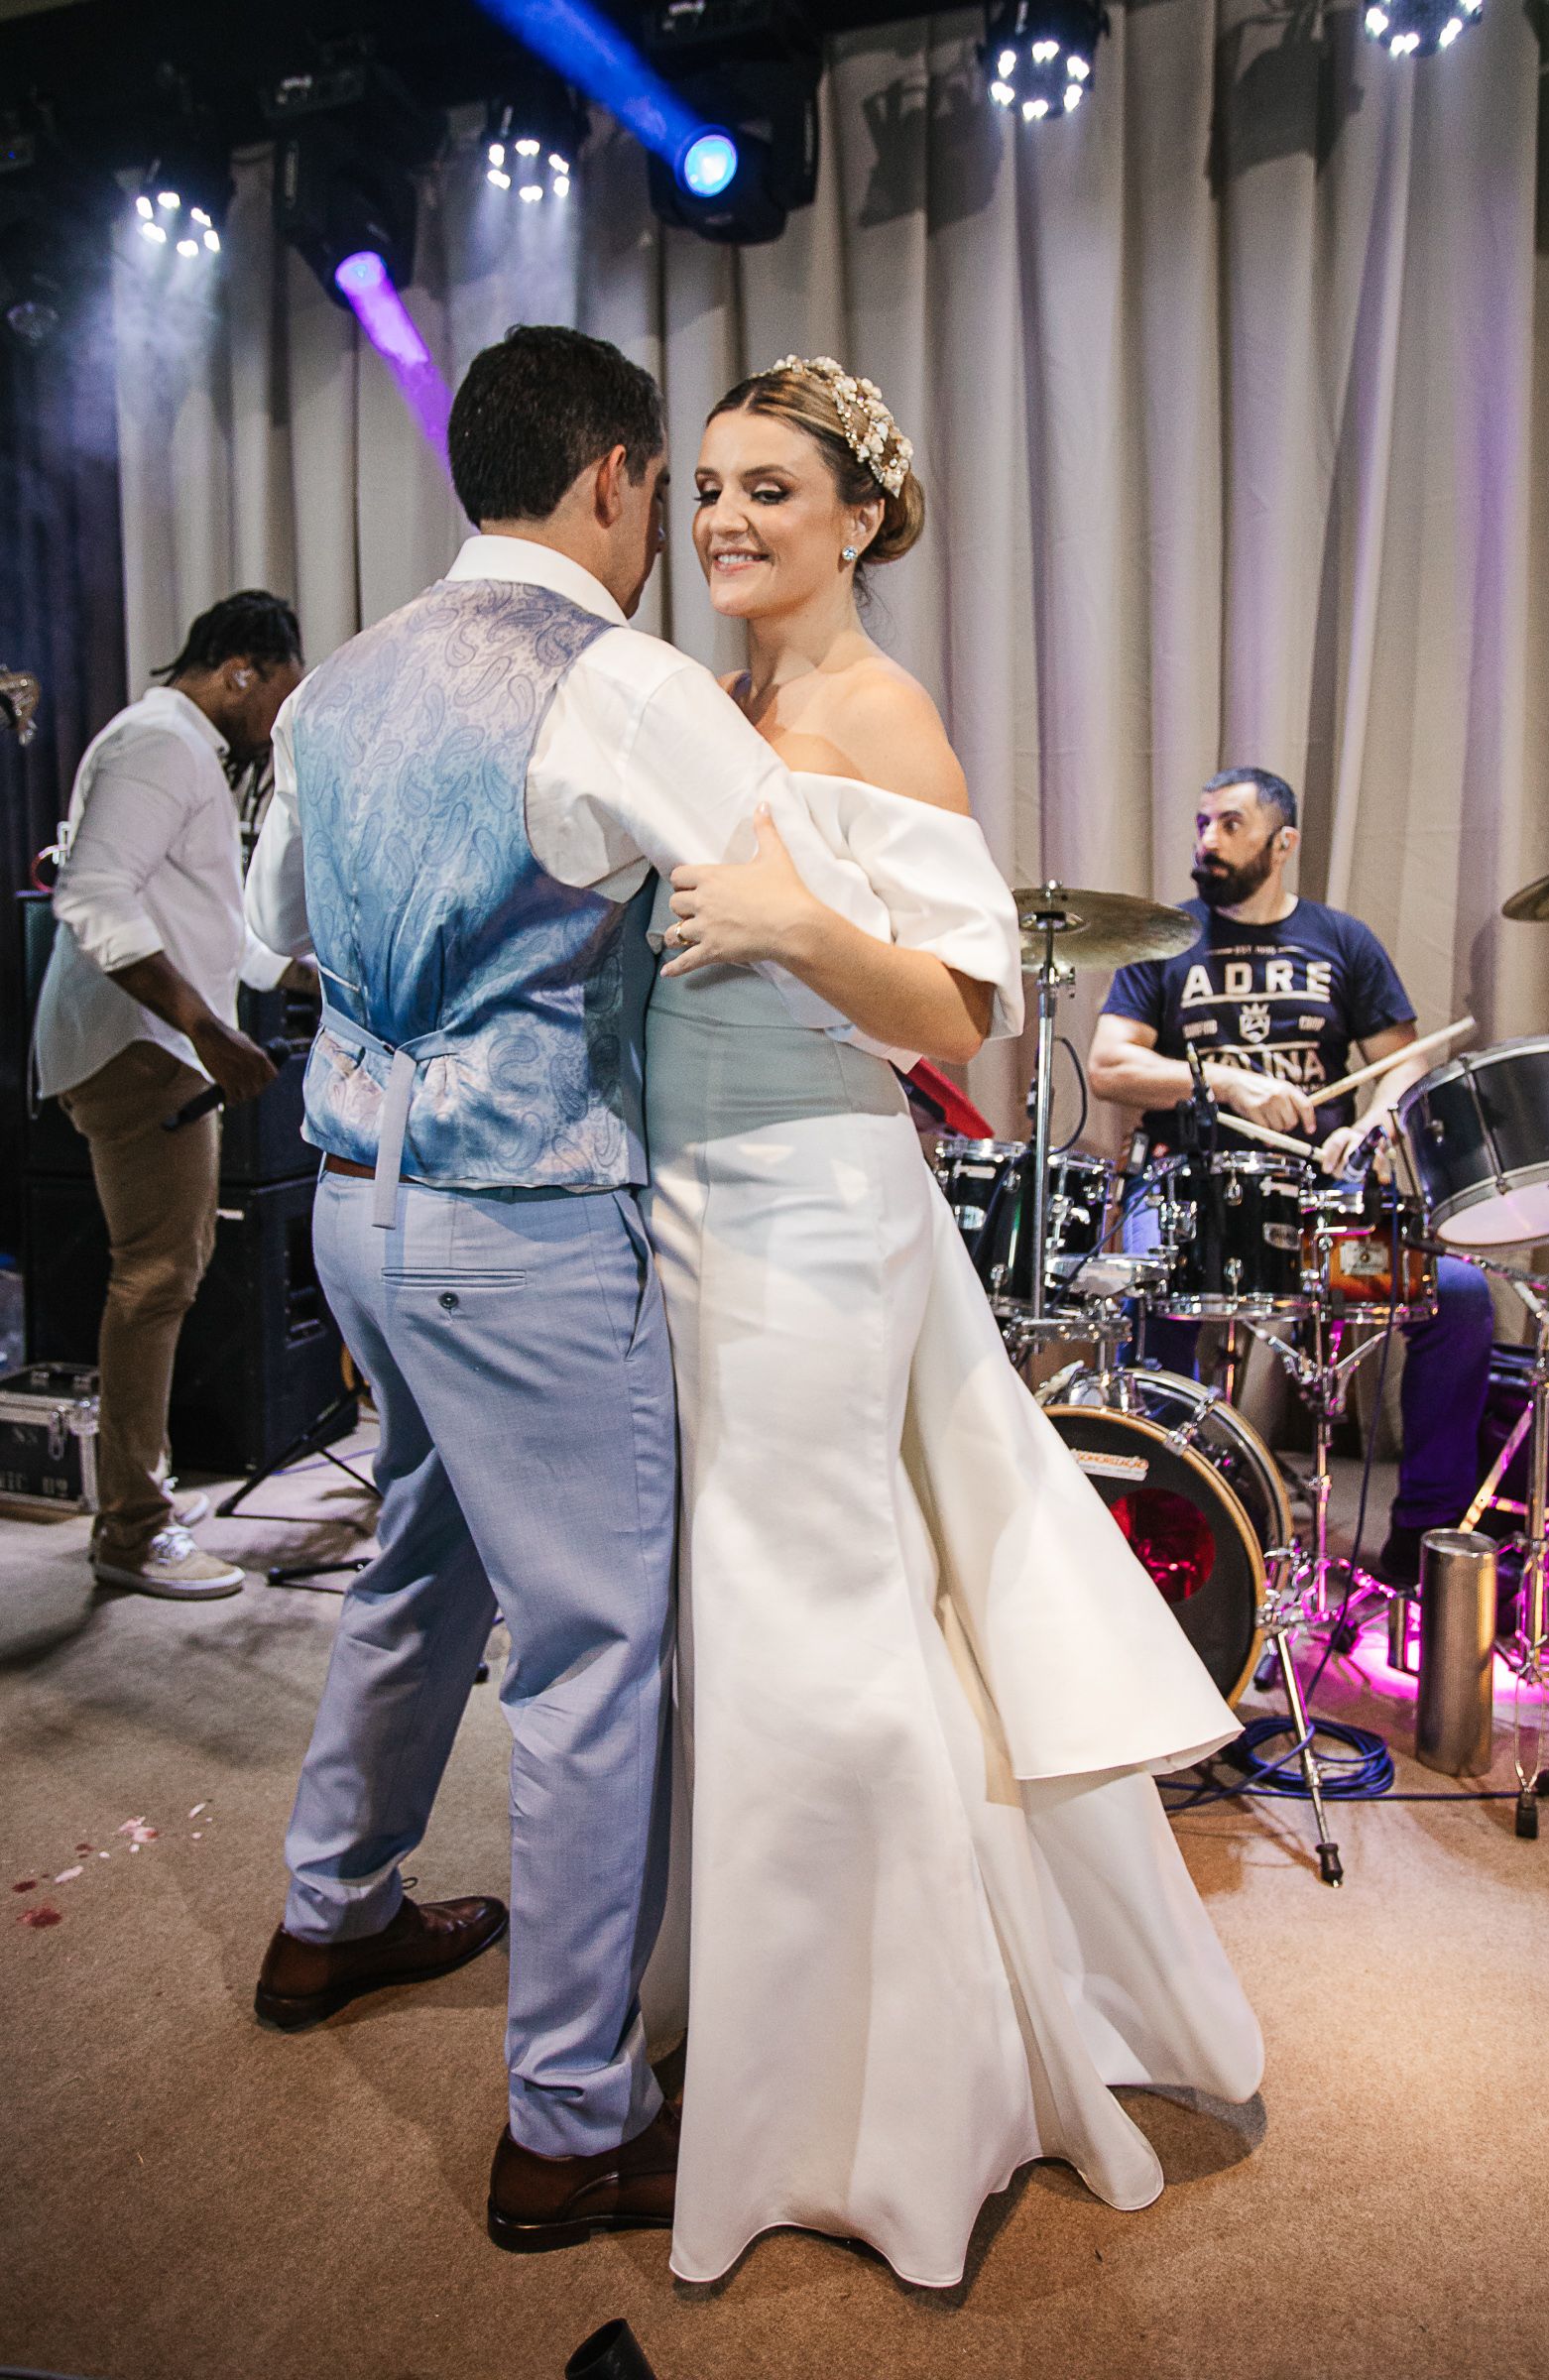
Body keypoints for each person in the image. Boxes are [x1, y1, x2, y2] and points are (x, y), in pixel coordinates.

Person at [242, 324, 1005, 2254]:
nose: (699, 521)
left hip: (351, 1197)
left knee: (419, 1552)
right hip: (520, 1213)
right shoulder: (620, 681)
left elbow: (275, 940)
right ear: (612, 484)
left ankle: (329, 1917)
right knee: (589, 1653)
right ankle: (570, 2119)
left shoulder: (332, 687)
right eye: (684, 485)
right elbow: (773, 886)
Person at [628, 358, 1264, 2288]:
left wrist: (787, 927)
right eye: (709, 490)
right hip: (692, 1206)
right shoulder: (721, 702)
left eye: (767, 492)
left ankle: (900, 2098)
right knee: (740, 1631)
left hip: (814, 1212)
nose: (726, 521)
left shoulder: (879, 714)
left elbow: (959, 1011)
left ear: (857, 519)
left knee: (820, 1630)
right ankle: (767, 2032)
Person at [1087, 768, 1495, 1585]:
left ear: (1284, 843)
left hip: (1323, 1206)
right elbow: (1108, 1064)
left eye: (1229, 824)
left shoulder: (1341, 940)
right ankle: (1172, 1528)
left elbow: (1402, 1063)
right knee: (1132, 1293)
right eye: (1201, 822)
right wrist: (1226, 1081)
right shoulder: (1167, 939)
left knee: (1459, 1297)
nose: (1207, 840)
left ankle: (1425, 1542)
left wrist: (1376, 1123)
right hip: (1188, 1195)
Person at [33, 592, 307, 1600]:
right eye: (277, 691)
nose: (278, 719)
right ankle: (132, 1528)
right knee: (154, 1281)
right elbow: (91, 893)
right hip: (138, 1049)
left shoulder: (180, 746)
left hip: (150, 1042)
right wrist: (205, 1027)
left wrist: (311, 977)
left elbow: (216, 925)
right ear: (240, 669)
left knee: (171, 1271)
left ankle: (137, 1487)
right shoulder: (163, 741)